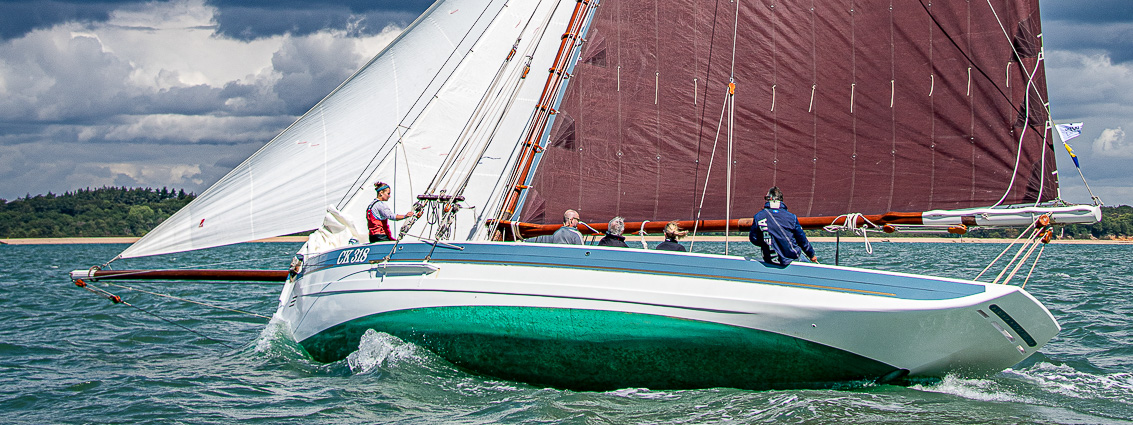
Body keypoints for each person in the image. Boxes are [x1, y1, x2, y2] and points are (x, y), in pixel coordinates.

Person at [748, 186, 817, 265]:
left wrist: (767, 243)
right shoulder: (791, 217)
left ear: (769, 199)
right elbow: (802, 239)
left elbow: (754, 238)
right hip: (792, 259)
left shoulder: (759, 216)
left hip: (770, 260)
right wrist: (811, 255)